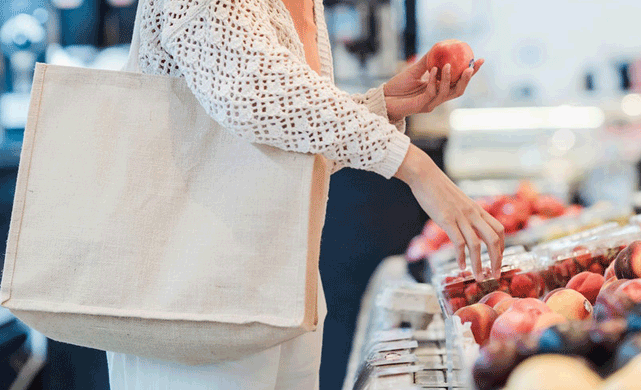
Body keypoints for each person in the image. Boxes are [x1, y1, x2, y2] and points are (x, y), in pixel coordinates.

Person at [107, 0, 504, 388]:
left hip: (285, 292)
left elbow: (286, 134)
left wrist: (381, 106)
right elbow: (252, 91)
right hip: (192, 299)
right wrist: (413, 166)